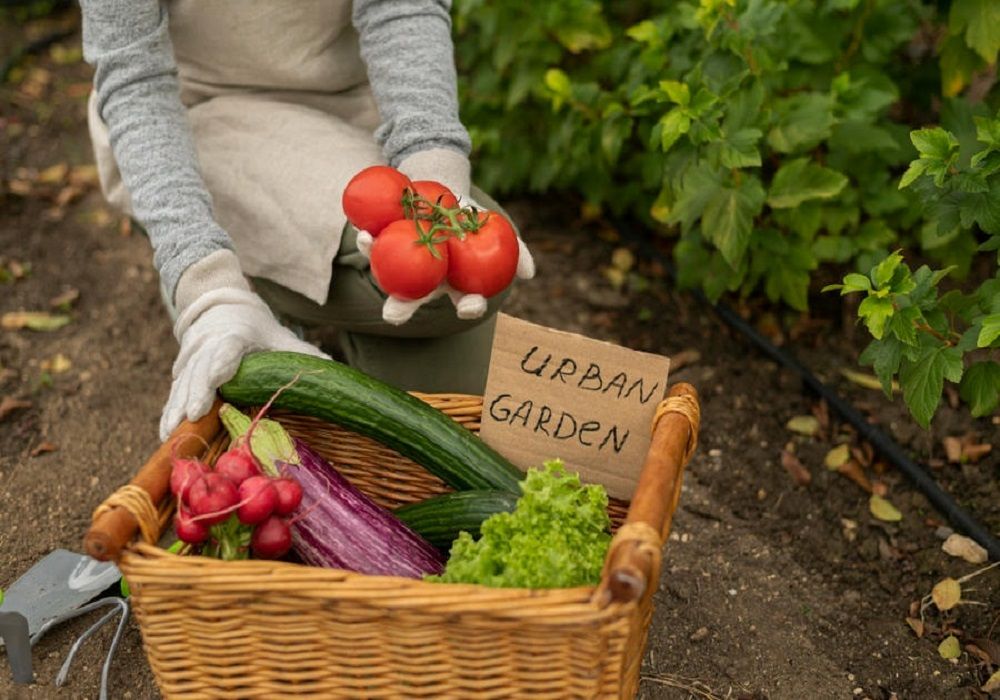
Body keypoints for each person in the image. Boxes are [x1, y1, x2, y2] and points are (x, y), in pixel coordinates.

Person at [78, 0, 534, 442]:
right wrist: (203, 282)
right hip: (196, 113)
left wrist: (437, 180)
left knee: (457, 324)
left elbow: (400, 8)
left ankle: (270, 275)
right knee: (401, 294)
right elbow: (136, 78)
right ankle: (232, 273)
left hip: (351, 103)